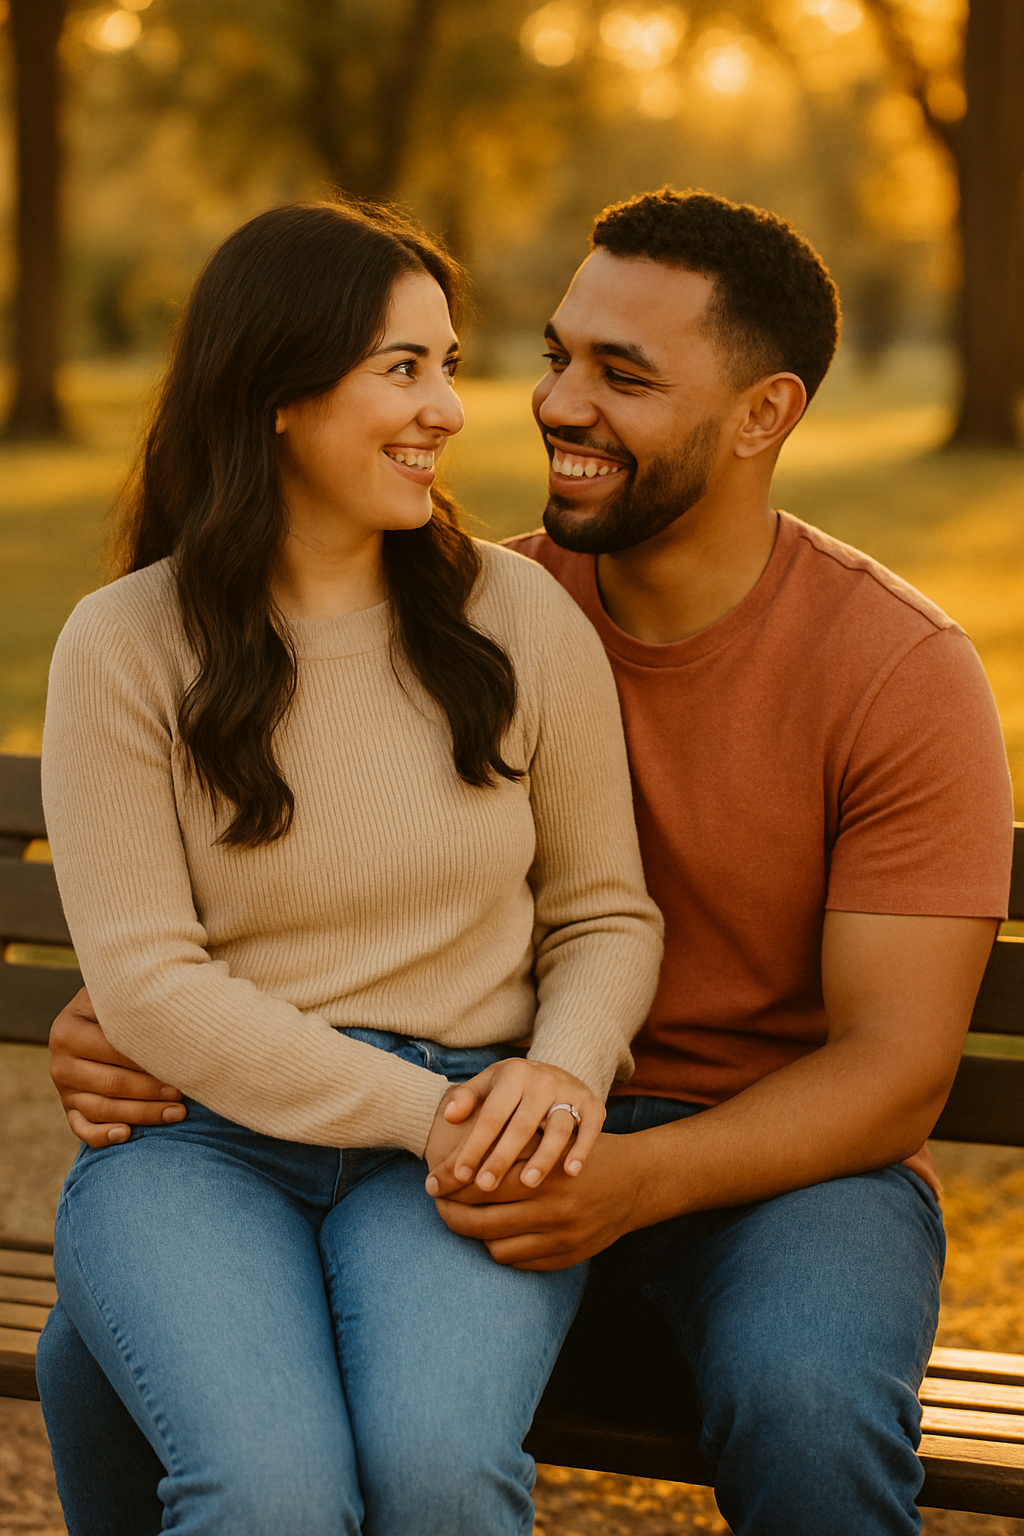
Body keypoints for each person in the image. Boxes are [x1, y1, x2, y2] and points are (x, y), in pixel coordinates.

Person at [48, 189, 1013, 1536]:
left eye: (622, 376)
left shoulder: (894, 671)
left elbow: (891, 1069)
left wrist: (610, 1158)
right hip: (472, 1132)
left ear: (762, 415)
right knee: (201, 1413)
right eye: (558, 355)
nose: (551, 404)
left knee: (807, 1404)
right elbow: (213, 923)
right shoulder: (491, 600)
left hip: (756, 1166)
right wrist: (125, 1016)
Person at [35, 197, 664, 1536]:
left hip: (467, 1141)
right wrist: (421, 1113)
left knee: (440, 1480)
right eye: (402, 369)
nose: (446, 409)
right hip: (201, 1147)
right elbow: (145, 984)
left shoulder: (518, 616)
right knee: (268, 1495)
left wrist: (559, 1074)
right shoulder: (125, 644)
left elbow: (607, 913)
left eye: (447, 365)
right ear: (273, 393)